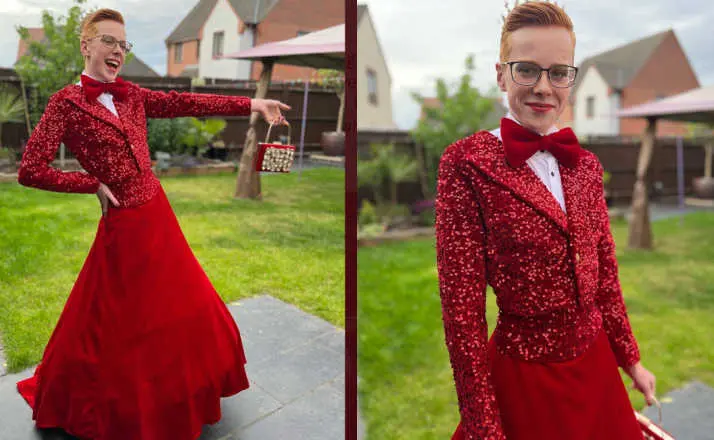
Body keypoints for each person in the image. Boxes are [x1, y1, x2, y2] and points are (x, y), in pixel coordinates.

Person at [15, 8, 289, 440]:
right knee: (121, 323)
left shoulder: (132, 96)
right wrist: (90, 184)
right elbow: (29, 169)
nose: (117, 51)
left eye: (123, 45)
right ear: (85, 45)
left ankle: (181, 396)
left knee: (185, 305)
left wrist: (253, 103)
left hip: (158, 215)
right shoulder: (64, 104)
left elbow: (187, 102)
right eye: (108, 41)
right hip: (123, 225)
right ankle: (122, 405)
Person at [435, 2, 656, 439]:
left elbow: (605, 275)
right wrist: (483, 425)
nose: (543, 87)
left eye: (558, 72)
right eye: (526, 70)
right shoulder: (466, 163)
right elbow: (462, 314)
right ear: (501, 75)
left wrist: (630, 359)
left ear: (571, 79)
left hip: (595, 367)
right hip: (525, 376)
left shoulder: (587, 166)